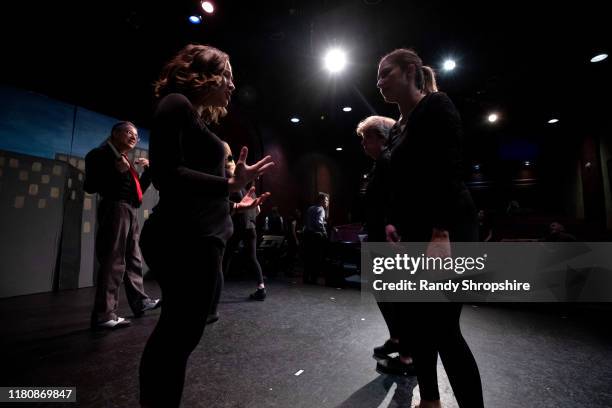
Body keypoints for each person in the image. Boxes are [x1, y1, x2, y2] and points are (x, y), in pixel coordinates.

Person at [138, 44, 273, 408]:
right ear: (204, 74)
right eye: (227, 76)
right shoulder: (175, 104)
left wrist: (233, 201)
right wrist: (228, 185)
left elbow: (197, 184)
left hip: (202, 236)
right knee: (176, 336)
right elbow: (168, 174)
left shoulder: (195, 118)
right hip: (183, 238)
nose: (231, 86)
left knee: (183, 335)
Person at [377, 48, 483, 407]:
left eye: (385, 73)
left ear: (410, 71)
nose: (378, 82)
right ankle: (430, 400)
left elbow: (448, 170)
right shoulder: (397, 129)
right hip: (416, 232)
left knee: (444, 328)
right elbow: (399, 183)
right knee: (418, 322)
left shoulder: (437, 106)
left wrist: (441, 233)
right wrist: (393, 221)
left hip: (447, 229)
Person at [84, 121, 160, 330]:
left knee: (133, 259)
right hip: (114, 209)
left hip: (129, 210)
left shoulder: (125, 159)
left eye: (136, 134)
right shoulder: (98, 154)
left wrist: (149, 172)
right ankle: (103, 314)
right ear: (115, 134)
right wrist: (114, 171)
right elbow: (89, 186)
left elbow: (135, 195)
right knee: (113, 260)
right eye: (129, 132)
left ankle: (140, 302)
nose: (134, 137)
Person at [356, 115, 413, 376]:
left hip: (391, 241)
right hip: (379, 237)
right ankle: (398, 339)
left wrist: (393, 229)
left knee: (397, 298)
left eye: (367, 137)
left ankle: (408, 357)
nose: (363, 143)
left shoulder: (390, 161)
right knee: (384, 295)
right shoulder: (381, 163)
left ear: (382, 137)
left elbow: (398, 200)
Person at [220, 141, 267, 302]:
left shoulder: (232, 184)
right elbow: (258, 210)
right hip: (250, 228)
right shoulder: (247, 191)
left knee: (225, 257)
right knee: (252, 258)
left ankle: (215, 290)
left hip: (238, 226)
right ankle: (261, 288)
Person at [303, 193, 329, 284]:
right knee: (316, 258)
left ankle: (305, 278)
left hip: (307, 235)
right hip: (315, 236)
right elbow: (319, 223)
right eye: (326, 200)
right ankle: (314, 279)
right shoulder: (321, 209)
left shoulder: (310, 208)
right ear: (321, 201)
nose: (327, 202)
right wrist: (325, 233)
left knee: (308, 257)